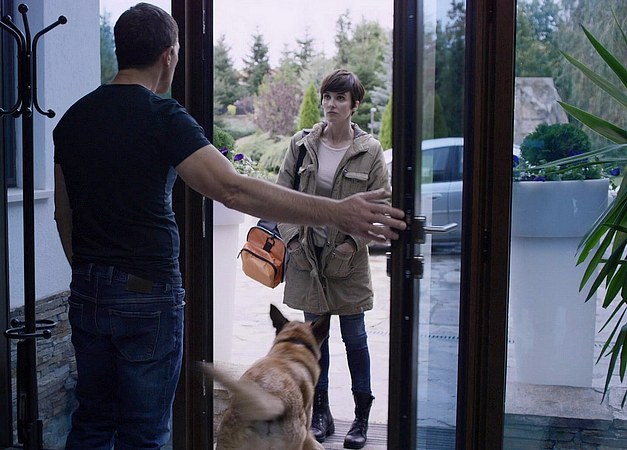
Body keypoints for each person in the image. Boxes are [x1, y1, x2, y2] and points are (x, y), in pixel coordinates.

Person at [52, 4, 406, 448]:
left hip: (87, 289)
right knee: (143, 431)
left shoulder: (73, 118)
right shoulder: (163, 117)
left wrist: (91, 273)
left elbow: (62, 214)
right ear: (168, 55)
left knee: (93, 422)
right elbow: (234, 190)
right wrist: (338, 212)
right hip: (147, 294)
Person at [276, 69, 387, 449]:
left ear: (355, 105)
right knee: (314, 341)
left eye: (340, 98)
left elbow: (381, 204)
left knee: (355, 338)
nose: (331, 104)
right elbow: (280, 196)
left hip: (348, 263)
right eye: (327, 97)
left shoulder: (369, 150)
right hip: (307, 260)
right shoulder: (302, 144)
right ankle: (320, 413)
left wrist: (350, 245)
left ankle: (361, 418)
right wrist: (293, 242)